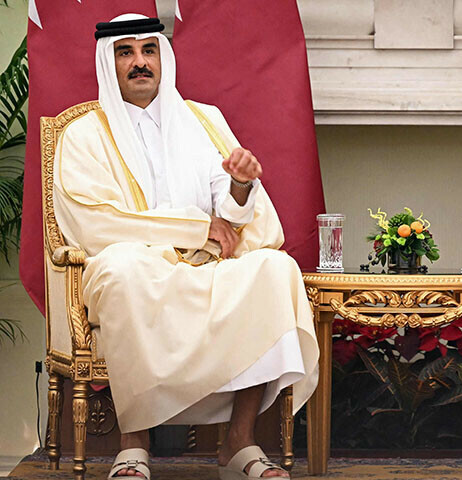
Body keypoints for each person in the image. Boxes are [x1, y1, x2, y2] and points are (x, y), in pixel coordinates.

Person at [52, 14, 319, 479]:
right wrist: (195, 229)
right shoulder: (83, 134)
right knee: (123, 268)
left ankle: (239, 443)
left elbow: (234, 220)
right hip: (135, 264)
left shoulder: (204, 120)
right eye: (125, 52)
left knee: (275, 271)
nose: (140, 63)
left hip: (204, 264)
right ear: (107, 63)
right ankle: (132, 447)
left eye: (148, 51)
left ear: (162, 57)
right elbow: (93, 220)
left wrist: (239, 186)